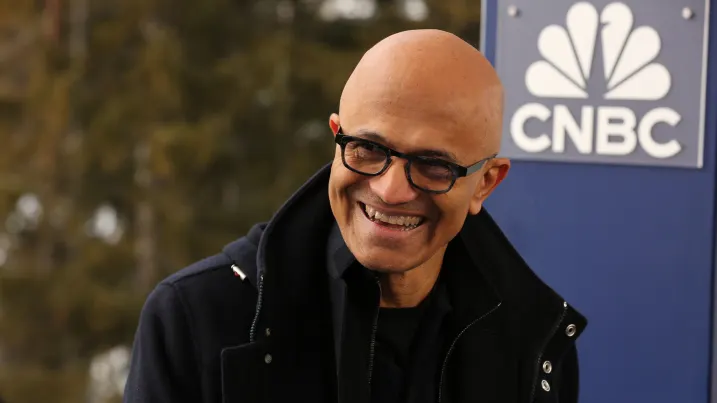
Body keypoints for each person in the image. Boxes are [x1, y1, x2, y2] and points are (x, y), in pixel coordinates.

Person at [123, 29, 587, 403]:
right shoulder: (197, 318)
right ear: (336, 136)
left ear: (485, 183)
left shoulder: (535, 345)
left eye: (433, 165)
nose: (390, 189)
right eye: (368, 149)